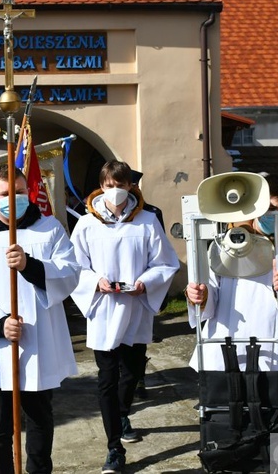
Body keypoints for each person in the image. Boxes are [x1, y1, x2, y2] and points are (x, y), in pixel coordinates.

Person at [0, 164, 80, 474]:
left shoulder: (50, 230)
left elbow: (70, 273)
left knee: (39, 423)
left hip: (38, 342)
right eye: (6, 194)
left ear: (30, 192)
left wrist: (30, 266)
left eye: (20, 192)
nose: (14, 198)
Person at [69, 160, 180, 474]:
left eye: (121, 185)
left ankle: (120, 415)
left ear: (131, 186)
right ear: (101, 186)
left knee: (130, 375)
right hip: (103, 310)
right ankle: (114, 447)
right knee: (107, 379)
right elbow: (76, 265)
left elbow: (165, 263)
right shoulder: (88, 224)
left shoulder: (146, 221)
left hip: (135, 308)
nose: (115, 191)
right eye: (109, 185)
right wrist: (95, 282)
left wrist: (145, 283)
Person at [185, 172, 278, 401]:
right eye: (271, 209)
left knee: (268, 419)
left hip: (271, 346)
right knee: (226, 419)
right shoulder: (223, 247)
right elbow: (210, 292)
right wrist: (200, 295)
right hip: (226, 341)